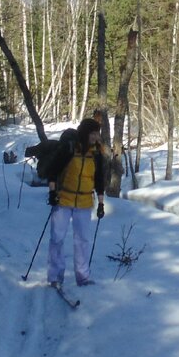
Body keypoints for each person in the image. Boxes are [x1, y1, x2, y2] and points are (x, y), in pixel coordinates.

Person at [42, 117, 106, 288]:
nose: (95, 137)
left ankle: (83, 277)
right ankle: (55, 276)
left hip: (85, 201)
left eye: (97, 133)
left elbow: (99, 180)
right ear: (85, 133)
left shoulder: (97, 153)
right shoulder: (70, 148)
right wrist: (52, 192)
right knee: (57, 238)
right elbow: (53, 171)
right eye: (93, 133)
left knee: (83, 240)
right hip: (64, 199)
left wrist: (101, 203)